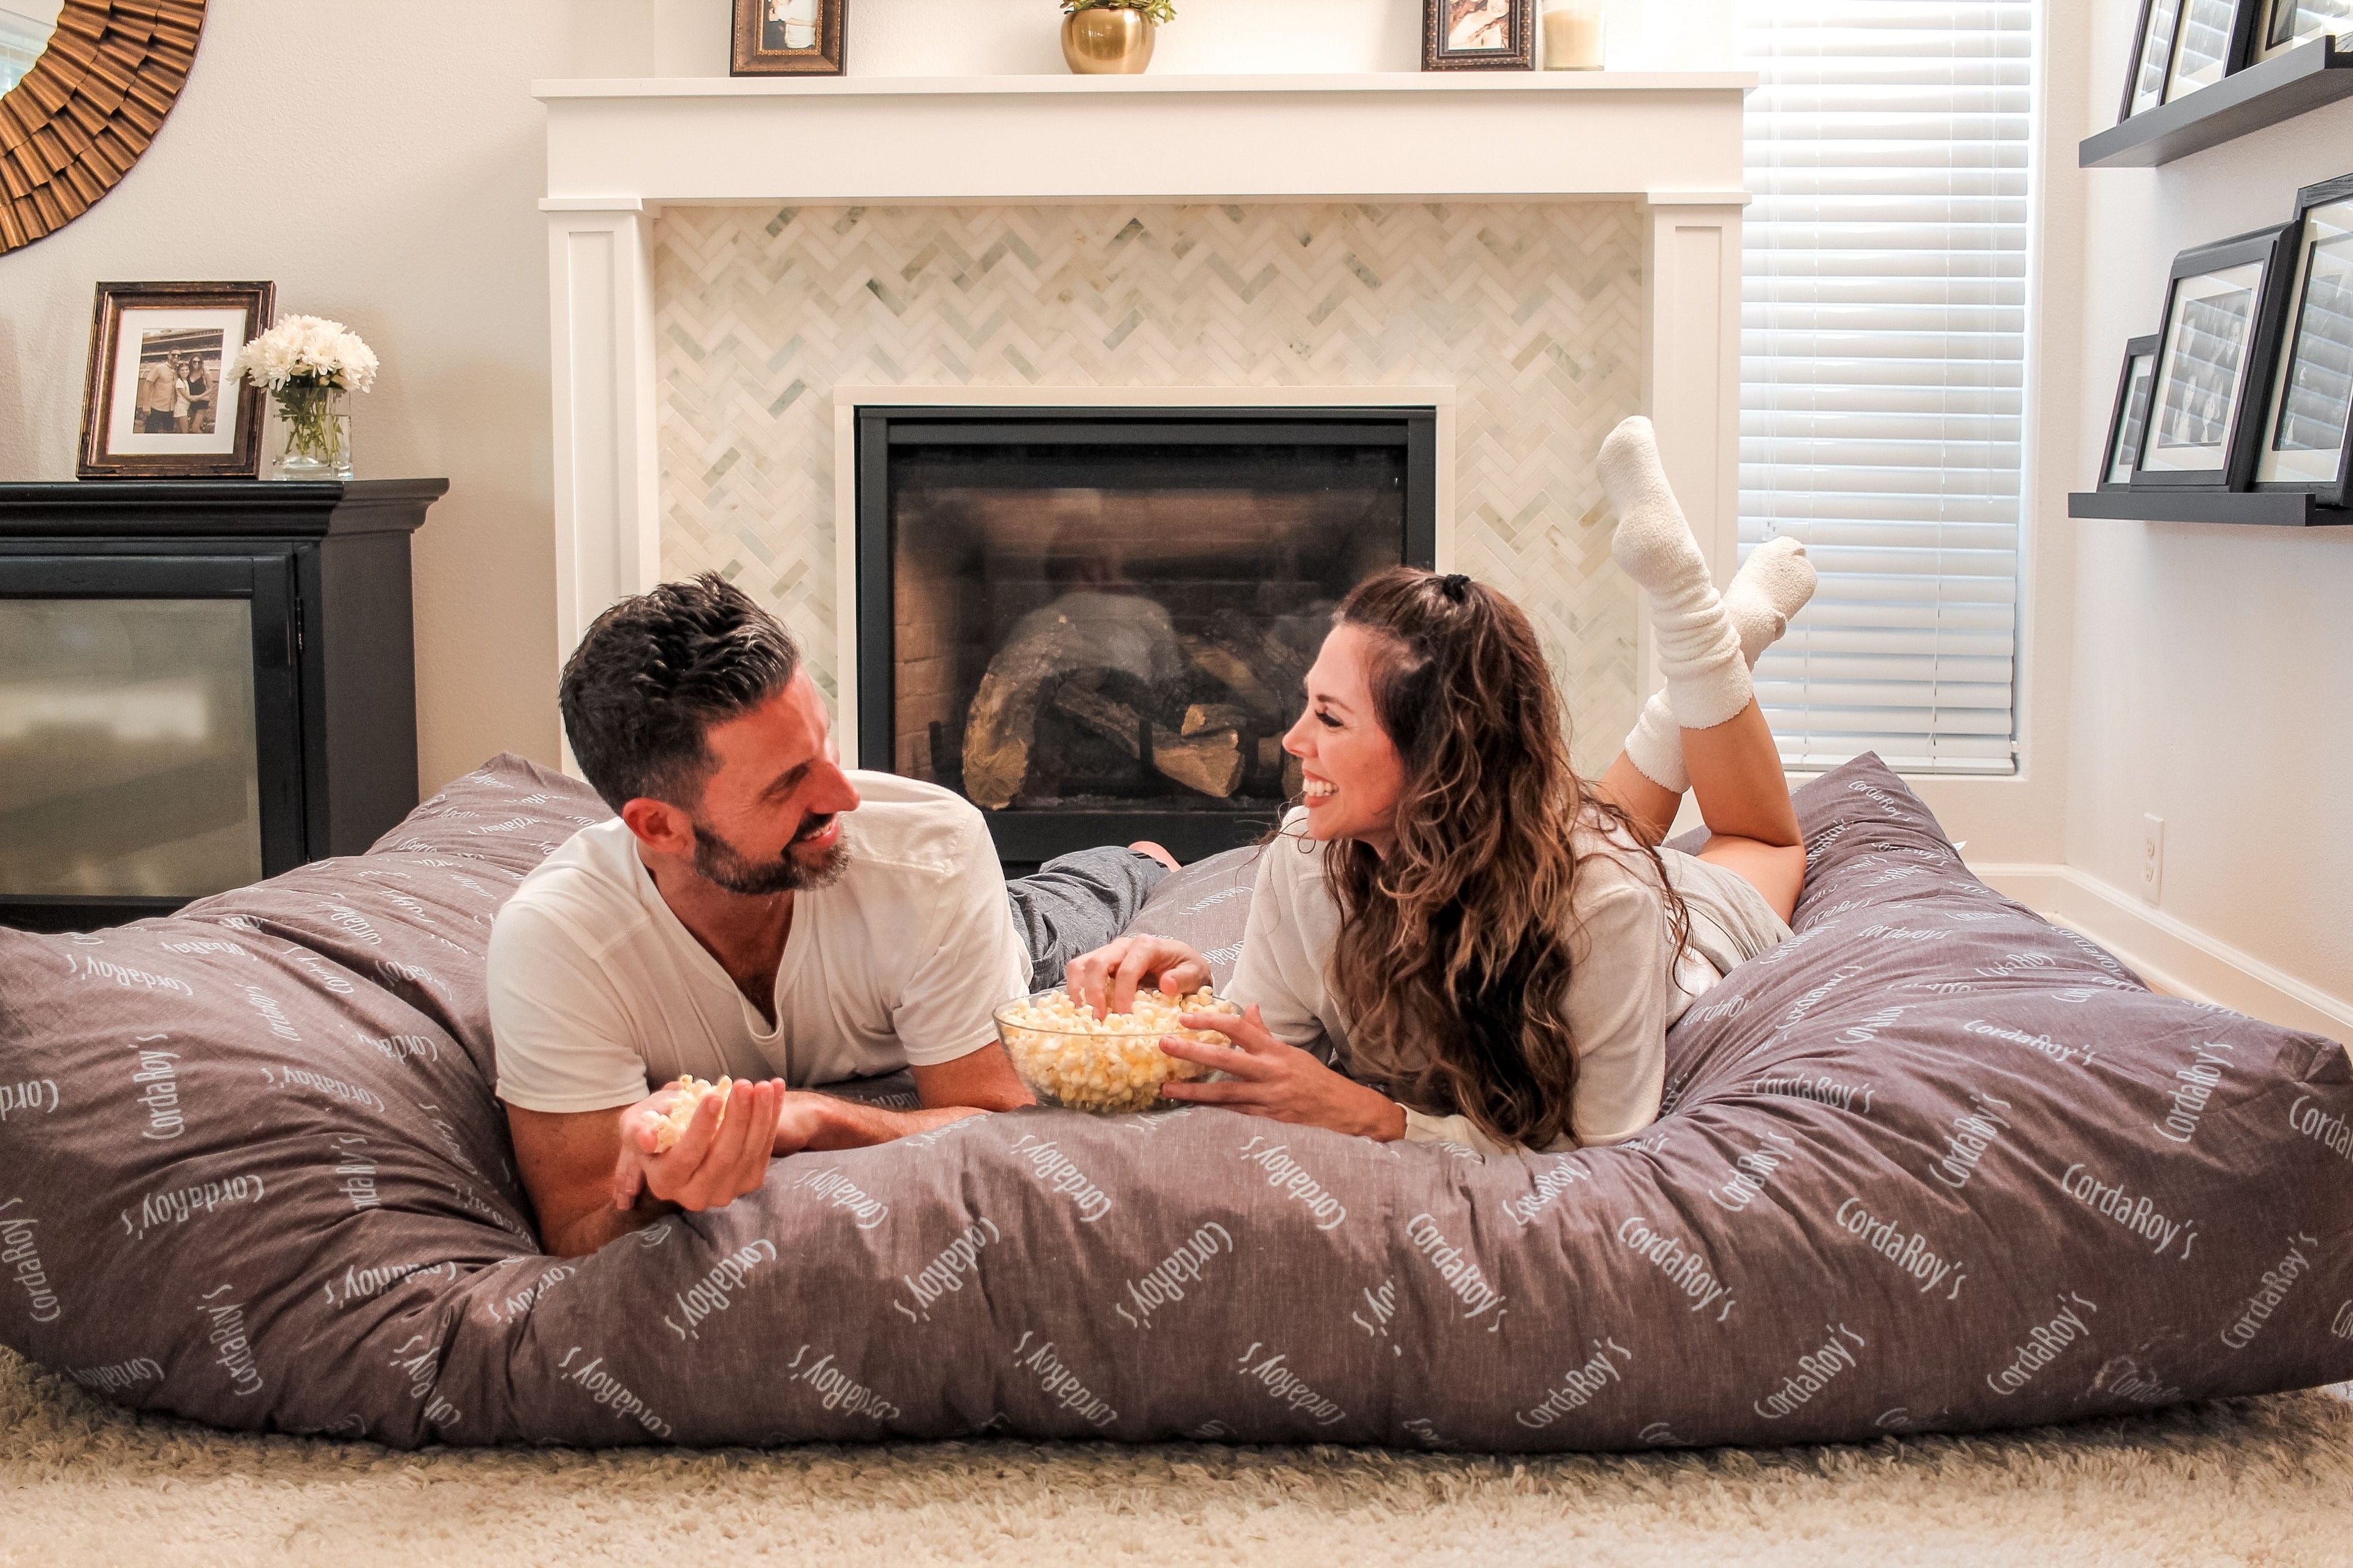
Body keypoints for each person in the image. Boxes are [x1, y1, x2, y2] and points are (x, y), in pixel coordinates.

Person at [1067, 416, 1819, 1154]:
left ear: (1436, 754)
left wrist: (1381, 1119)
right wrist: (1189, 1005)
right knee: (1585, 821)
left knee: (1752, 841)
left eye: (1329, 718)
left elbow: (1602, 1149)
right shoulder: (1305, 856)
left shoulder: (1609, 904)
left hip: (1682, 920)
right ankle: (1730, 632)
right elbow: (1271, 1059)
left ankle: (1702, 627)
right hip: (1521, 845)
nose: (1293, 742)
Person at [490, 574, 1171, 1256]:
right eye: (788, 783)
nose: (844, 795)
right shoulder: (557, 942)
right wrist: (662, 1190)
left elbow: (997, 1120)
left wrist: (811, 1118)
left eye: (825, 747)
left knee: (1062, 911)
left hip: (978, 938)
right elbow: (579, 1226)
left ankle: (1141, 859)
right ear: (660, 827)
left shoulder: (929, 851)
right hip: (899, 948)